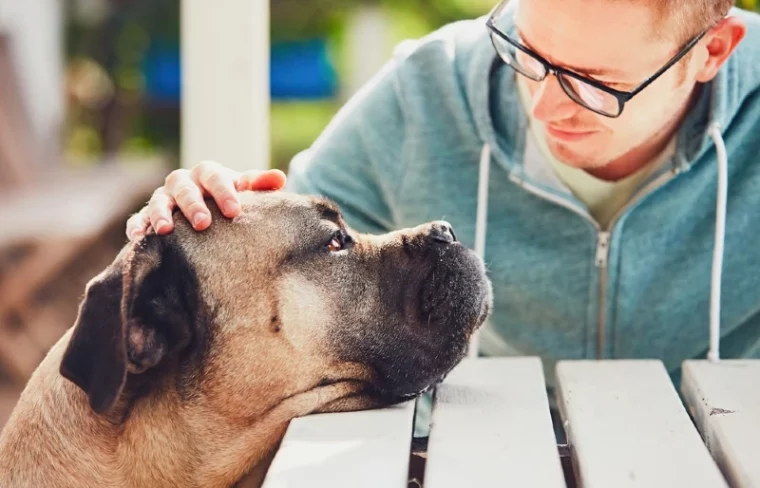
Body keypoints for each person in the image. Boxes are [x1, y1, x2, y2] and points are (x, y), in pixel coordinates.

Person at [126, 0, 760, 437]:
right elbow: (291, 251)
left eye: (593, 85)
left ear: (713, 51)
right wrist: (209, 223)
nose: (541, 105)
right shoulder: (422, 94)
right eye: (529, 54)